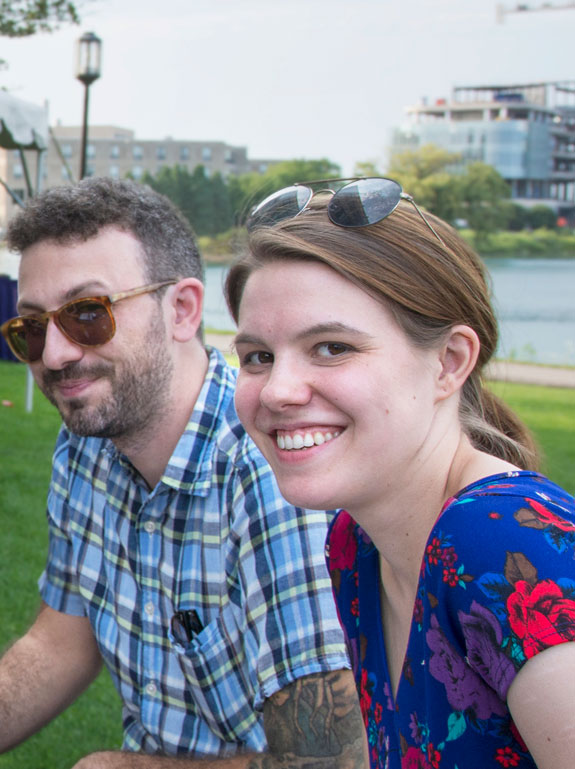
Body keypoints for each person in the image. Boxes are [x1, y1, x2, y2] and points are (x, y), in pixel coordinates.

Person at [0, 177, 366, 769]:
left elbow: (330, 761)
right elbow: (62, 639)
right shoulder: (85, 446)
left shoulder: (272, 472)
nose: (56, 354)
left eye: (88, 314)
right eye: (32, 328)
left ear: (182, 309)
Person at [224, 177, 575, 769]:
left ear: (449, 362)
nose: (278, 391)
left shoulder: (502, 544)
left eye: (332, 347)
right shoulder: (355, 544)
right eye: (258, 356)